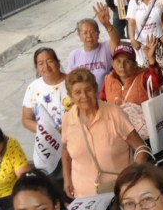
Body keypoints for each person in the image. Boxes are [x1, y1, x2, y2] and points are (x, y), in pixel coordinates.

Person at [61, 68, 147, 199]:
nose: (84, 96)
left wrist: (132, 178)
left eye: (88, 90)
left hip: (120, 192)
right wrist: (67, 178)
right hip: (83, 198)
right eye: (77, 92)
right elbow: (65, 151)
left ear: (96, 89)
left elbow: (141, 148)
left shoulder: (114, 114)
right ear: (70, 96)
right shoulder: (67, 119)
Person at [22, 47, 72, 179]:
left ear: (58, 62)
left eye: (50, 61)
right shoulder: (33, 87)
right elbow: (26, 119)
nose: (46, 66)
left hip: (74, 142)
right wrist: (48, 130)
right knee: (53, 183)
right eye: (40, 63)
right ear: (36, 67)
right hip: (49, 146)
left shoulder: (72, 82)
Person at [101, 44, 153, 139]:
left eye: (127, 61)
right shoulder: (108, 80)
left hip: (144, 134)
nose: (122, 65)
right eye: (118, 61)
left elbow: (157, 80)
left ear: (135, 64)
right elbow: (101, 105)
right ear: (112, 63)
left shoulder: (144, 77)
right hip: (117, 134)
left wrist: (151, 59)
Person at [66, 3, 120, 91]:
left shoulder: (106, 47)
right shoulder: (74, 55)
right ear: (79, 35)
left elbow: (116, 41)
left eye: (92, 32)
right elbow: (69, 81)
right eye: (85, 33)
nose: (89, 36)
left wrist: (107, 24)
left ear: (98, 33)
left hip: (106, 97)